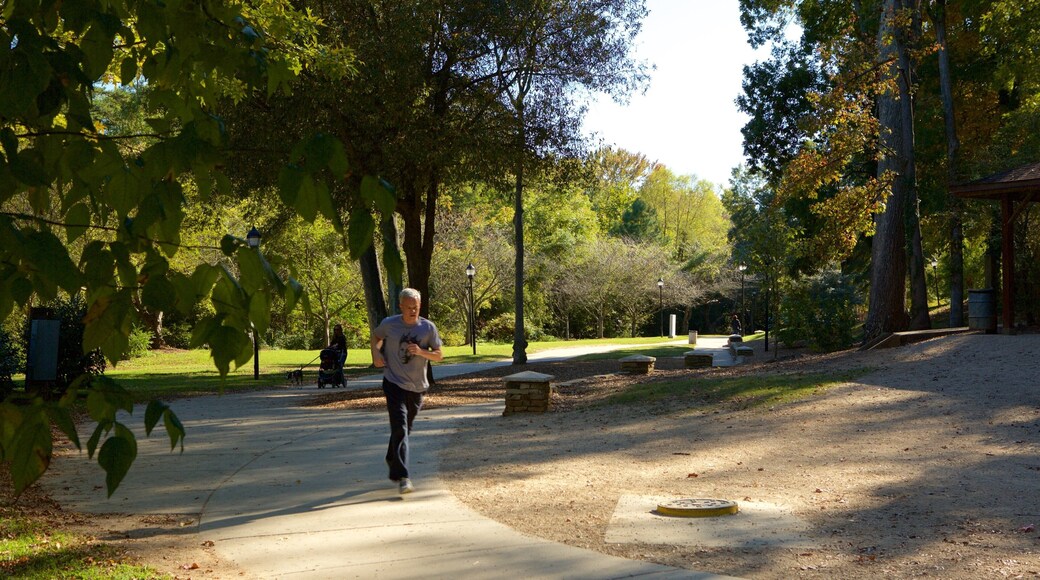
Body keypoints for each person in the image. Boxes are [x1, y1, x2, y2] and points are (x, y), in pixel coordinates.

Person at [370, 288, 443, 494]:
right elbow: (375, 337)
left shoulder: (428, 327)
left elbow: (439, 355)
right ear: (400, 306)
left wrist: (421, 351)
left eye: (416, 307)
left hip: (418, 386)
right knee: (400, 425)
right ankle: (403, 477)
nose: (413, 311)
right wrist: (376, 353)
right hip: (393, 382)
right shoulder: (389, 324)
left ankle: (392, 457)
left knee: (405, 428)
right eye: (409, 307)